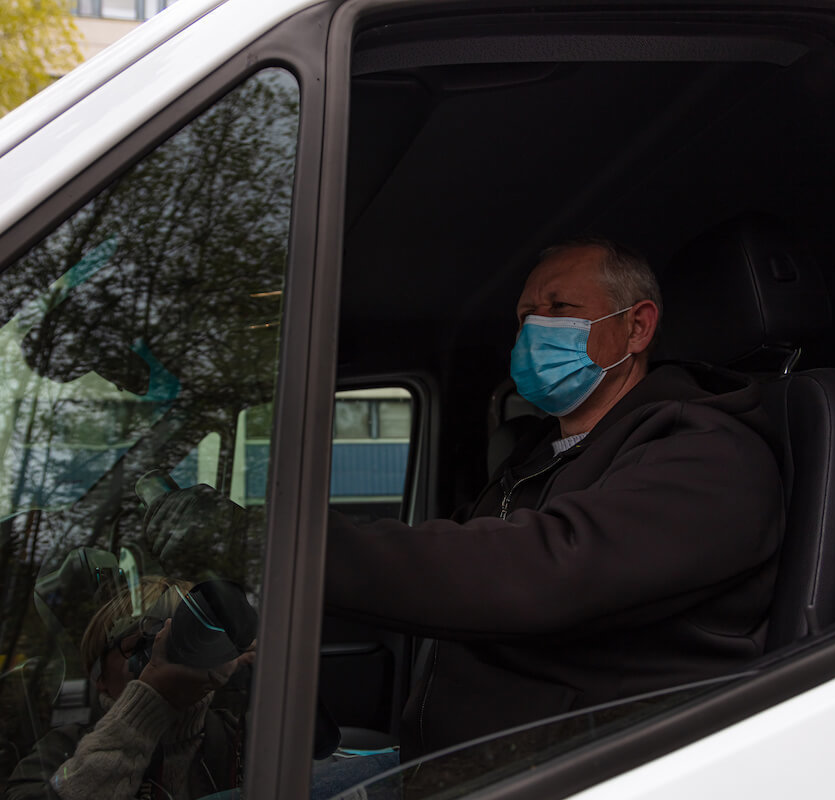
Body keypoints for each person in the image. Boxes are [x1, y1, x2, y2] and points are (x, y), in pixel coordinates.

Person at [323, 238, 785, 758]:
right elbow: (451, 550)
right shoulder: (535, 456)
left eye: (560, 308)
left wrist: (303, 554)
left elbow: (541, 570)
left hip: (581, 770)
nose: (534, 330)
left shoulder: (710, 455)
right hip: (461, 767)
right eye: (525, 316)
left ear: (636, 327)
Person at [8, 575, 256, 800]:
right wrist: (144, 709)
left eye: (183, 638)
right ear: (99, 675)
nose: (166, 654)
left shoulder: (242, 740)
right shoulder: (60, 750)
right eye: (144, 644)